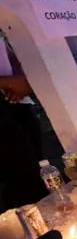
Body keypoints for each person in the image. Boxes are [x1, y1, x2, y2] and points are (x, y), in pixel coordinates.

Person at [0, 32, 49, 212]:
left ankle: (51, 227)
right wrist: (8, 83)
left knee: (38, 168)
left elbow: (7, 53)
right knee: (20, 174)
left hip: (16, 102)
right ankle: (33, 232)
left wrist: (19, 79)